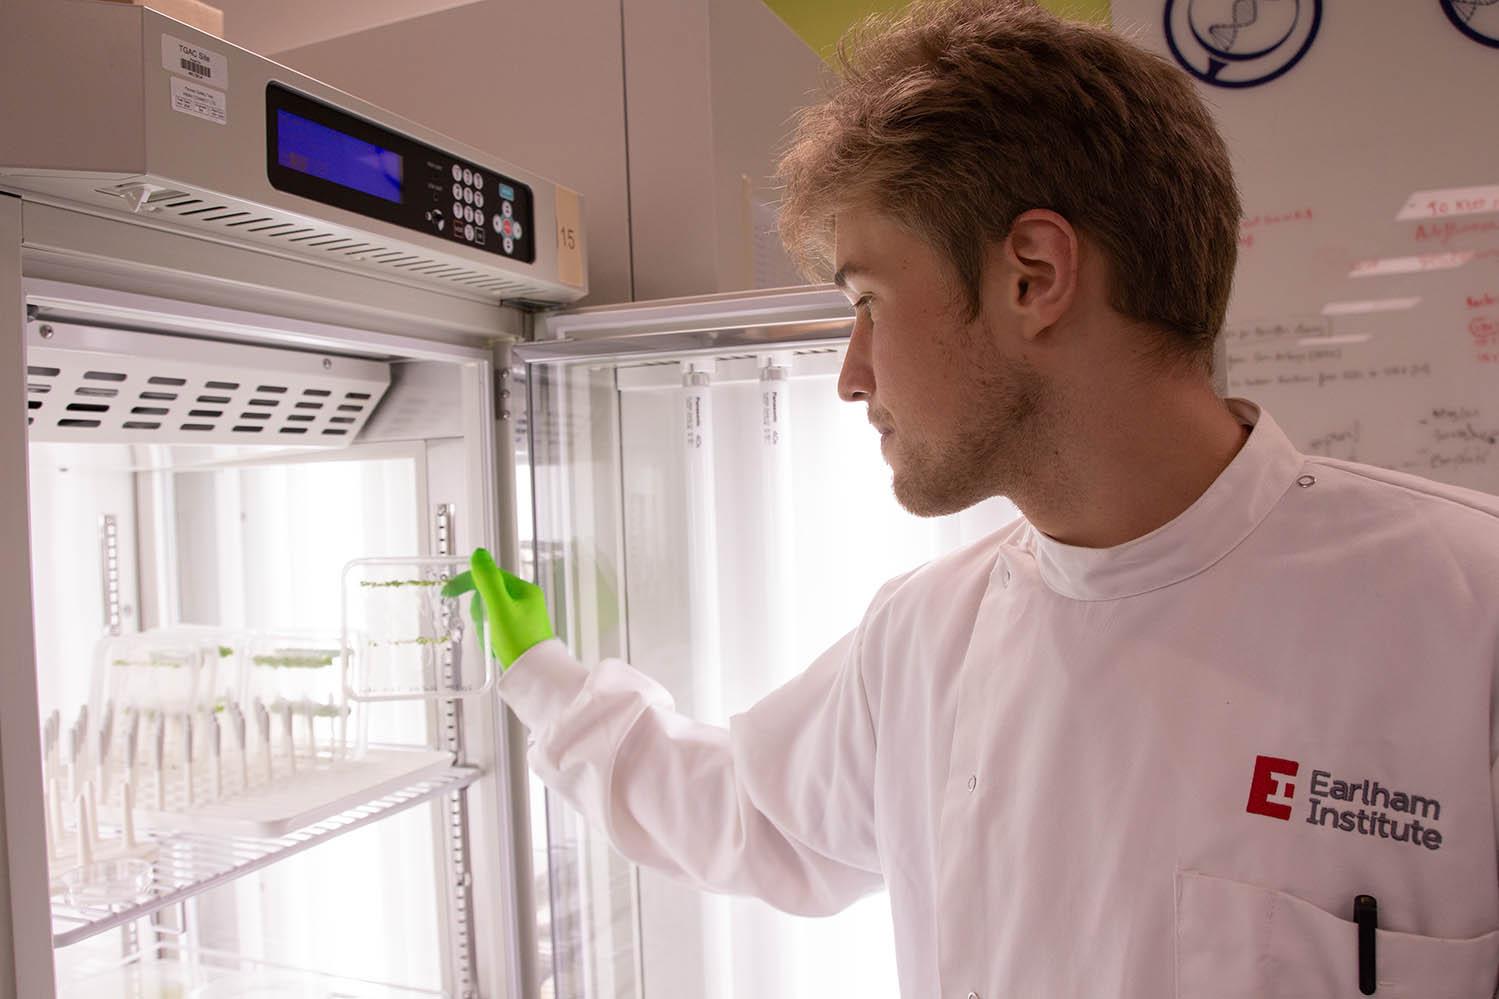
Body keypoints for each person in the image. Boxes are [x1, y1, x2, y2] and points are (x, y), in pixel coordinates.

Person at [447, 1, 1499, 995]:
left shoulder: (1467, 613)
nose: (851, 375)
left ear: (1032, 275)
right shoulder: (922, 636)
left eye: (866, 302)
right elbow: (743, 818)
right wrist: (545, 681)